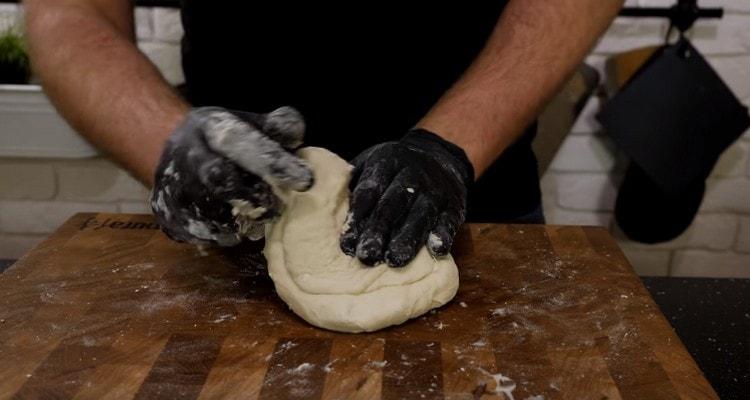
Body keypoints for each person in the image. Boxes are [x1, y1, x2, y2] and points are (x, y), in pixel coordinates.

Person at [25, 0, 623, 267]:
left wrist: (448, 146)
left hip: (473, 211)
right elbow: (71, 12)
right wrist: (166, 142)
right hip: (233, 219)